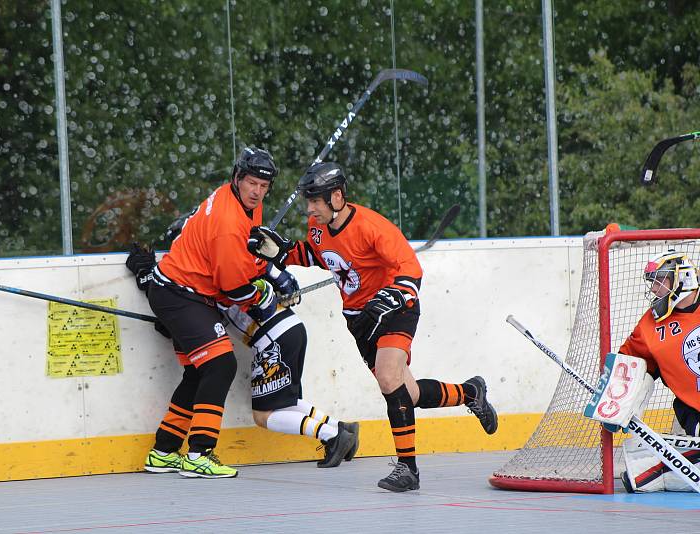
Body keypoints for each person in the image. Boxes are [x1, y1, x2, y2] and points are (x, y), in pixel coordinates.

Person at [247, 162, 498, 492]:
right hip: (359, 321)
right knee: (408, 393)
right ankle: (471, 392)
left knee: (388, 378)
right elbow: (319, 254)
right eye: (308, 201)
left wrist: (393, 295)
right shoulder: (317, 226)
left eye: (315, 201)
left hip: (395, 311)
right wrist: (285, 253)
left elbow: (411, 271)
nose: (309, 208)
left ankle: (407, 469)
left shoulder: (372, 227)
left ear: (336, 197)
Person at [127, 246, 360, 471]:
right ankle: (339, 429)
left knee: (264, 415)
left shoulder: (214, 277)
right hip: (291, 331)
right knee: (282, 402)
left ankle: (332, 436)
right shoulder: (225, 269)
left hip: (273, 340)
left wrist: (153, 288)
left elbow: (195, 311)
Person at [127, 146, 281, 479]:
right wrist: (262, 294)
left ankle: (163, 451)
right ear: (238, 179)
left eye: (264, 186)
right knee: (221, 365)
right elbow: (232, 288)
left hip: (179, 292)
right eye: (252, 183)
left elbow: (237, 256)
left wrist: (259, 261)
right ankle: (199, 452)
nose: (258, 192)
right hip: (182, 296)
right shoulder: (228, 221)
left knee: (198, 373)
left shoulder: (239, 201)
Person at [618, 250, 700, 437]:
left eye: (660, 280)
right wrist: (613, 397)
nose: (654, 289)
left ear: (683, 277)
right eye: (652, 282)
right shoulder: (651, 322)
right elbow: (627, 365)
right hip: (692, 411)